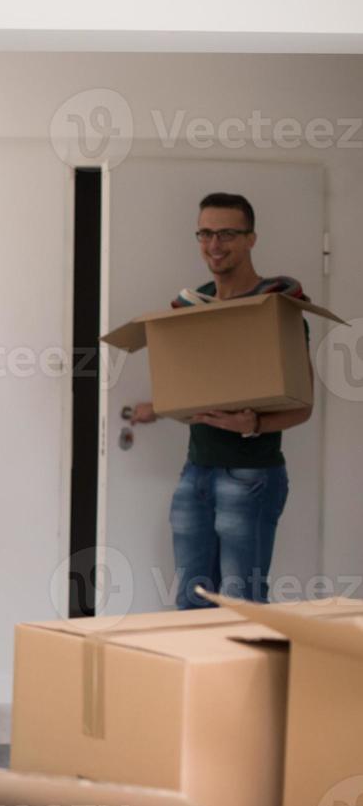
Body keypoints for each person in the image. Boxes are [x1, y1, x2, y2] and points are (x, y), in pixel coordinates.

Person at [129, 192, 313, 610]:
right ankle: (201, 678)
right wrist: (162, 406)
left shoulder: (276, 308)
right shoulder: (195, 306)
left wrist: (252, 425)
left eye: (227, 233)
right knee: (191, 600)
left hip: (251, 477)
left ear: (251, 239)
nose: (215, 245)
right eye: (206, 233)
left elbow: (303, 407)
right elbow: (201, 388)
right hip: (196, 472)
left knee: (240, 603)